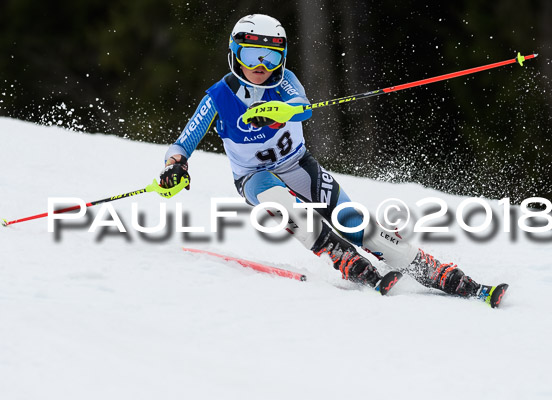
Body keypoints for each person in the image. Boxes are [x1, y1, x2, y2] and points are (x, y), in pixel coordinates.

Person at [160, 14, 507, 306]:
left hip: (298, 166)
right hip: (255, 177)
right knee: (281, 203)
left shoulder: (286, 84)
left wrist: (281, 111)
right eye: (251, 56)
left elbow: (300, 106)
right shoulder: (218, 97)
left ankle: (437, 272)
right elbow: (184, 141)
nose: (261, 66)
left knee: (354, 222)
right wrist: (175, 165)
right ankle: (341, 257)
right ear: (235, 54)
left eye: (270, 57)